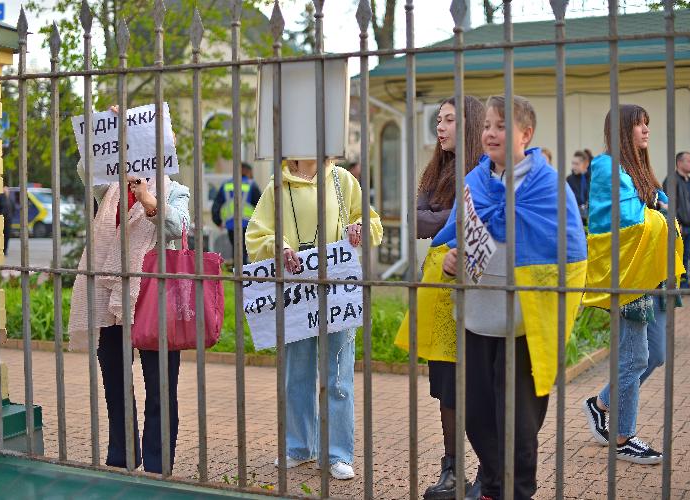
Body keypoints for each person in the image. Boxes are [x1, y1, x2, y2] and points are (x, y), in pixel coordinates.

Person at [435, 95, 587, 499]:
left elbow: (571, 253)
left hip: (525, 325)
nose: (489, 133)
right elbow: (457, 238)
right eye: (486, 125)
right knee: (477, 416)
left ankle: (516, 491)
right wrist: (452, 259)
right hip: (477, 319)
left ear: (525, 133)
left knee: (520, 423)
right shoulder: (473, 182)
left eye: (500, 126)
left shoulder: (547, 185)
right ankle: (492, 483)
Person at [68, 107, 191, 474]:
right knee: (116, 384)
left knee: (160, 387)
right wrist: (103, 125)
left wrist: (152, 201)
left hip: (153, 298)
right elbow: (85, 167)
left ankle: (157, 462)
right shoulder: (109, 190)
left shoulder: (175, 191)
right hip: (110, 298)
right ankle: (122, 456)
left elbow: (180, 226)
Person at [245, 158, 382, 480]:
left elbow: (371, 222)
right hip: (297, 294)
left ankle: (337, 453)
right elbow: (257, 232)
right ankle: (298, 446)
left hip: (336, 289)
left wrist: (360, 229)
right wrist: (277, 245)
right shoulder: (276, 186)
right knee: (298, 372)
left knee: (338, 373)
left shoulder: (342, 179)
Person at [582, 105, 684, 465]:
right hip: (625, 274)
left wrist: (657, 205)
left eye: (647, 123)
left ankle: (601, 403)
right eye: (639, 124)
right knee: (634, 355)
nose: (646, 130)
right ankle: (623, 434)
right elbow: (628, 220)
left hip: (648, 273)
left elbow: (662, 205)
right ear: (623, 130)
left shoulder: (638, 169)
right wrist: (658, 209)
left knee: (654, 354)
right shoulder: (606, 167)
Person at [394, 95, 485, 499]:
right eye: (439, 120)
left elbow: (469, 222)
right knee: (446, 385)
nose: (441, 127)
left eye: (450, 120)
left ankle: (488, 469)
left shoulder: (483, 173)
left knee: (476, 383)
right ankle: (452, 470)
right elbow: (416, 221)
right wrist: (447, 217)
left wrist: (443, 218)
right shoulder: (434, 172)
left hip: (473, 288)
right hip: (436, 288)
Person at [212, 162, 261, 264]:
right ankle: (243, 274)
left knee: (236, 250)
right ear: (248, 172)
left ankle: (238, 273)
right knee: (245, 251)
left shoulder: (226, 185)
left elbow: (216, 205)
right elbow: (261, 205)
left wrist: (218, 221)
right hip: (248, 225)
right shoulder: (252, 185)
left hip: (231, 224)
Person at [663, 151, 690, 288]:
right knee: (677, 255)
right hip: (680, 226)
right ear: (679, 163)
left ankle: (684, 283)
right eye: (689, 161)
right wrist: (676, 222)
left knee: (686, 255)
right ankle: (677, 285)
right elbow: (668, 204)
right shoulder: (672, 180)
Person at [567, 149, 593, 225]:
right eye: (573, 163)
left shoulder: (592, 179)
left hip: (589, 217)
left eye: (577, 164)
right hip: (574, 216)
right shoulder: (569, 180)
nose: (573, 166)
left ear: (585, 164)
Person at [0, 186, 14, 256]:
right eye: (5, 190)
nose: (6, 191)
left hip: (8, 220)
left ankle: (5, 250)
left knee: (7, 235)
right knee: (1, 235)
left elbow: (13, 208)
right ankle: (1, 250)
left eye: (7, 190)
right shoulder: (0, 198)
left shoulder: (10, 199)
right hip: (1, 219)